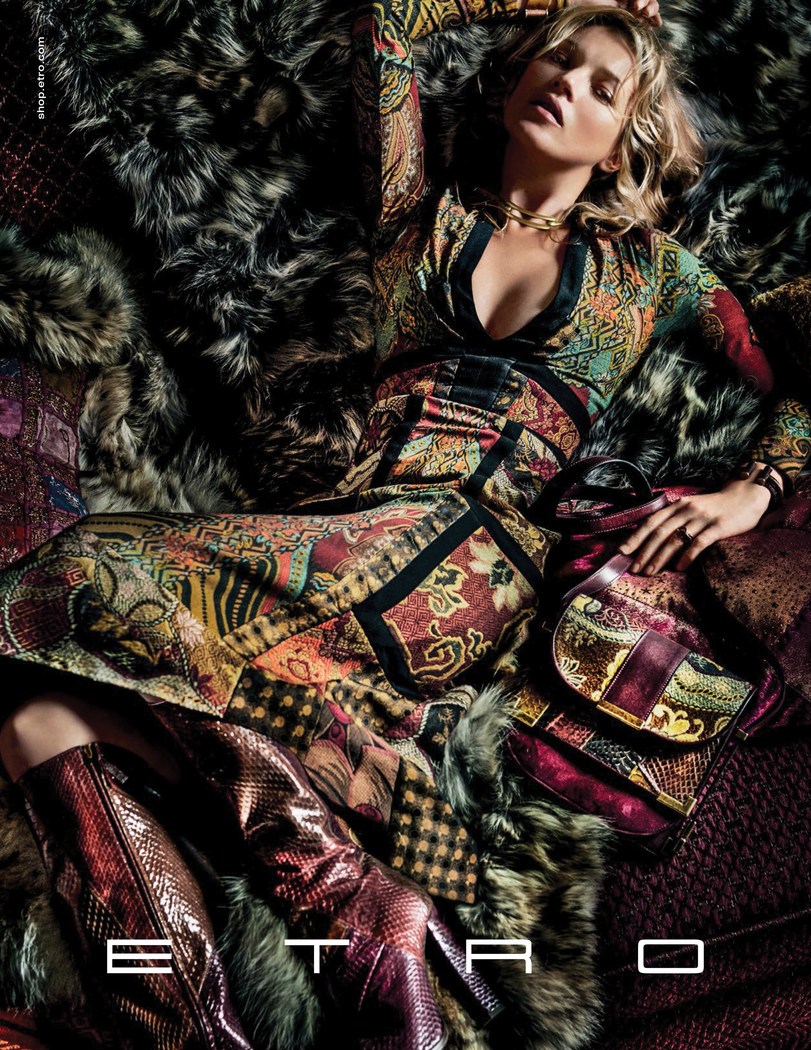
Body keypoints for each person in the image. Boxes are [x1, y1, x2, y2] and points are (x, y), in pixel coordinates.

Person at [0, 0, 809, 1047]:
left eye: (602, 86)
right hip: (340, 529)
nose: (565, 81)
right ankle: (221, 1008)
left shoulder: (655, 274)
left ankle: (351, 889)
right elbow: (389, 22)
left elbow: (795, 369)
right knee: (32, 719)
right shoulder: (419, 216)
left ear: (622, 144)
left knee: (75, 574)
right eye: (556, 58)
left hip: (469, 559)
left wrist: (759, 487)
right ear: (516, 75)